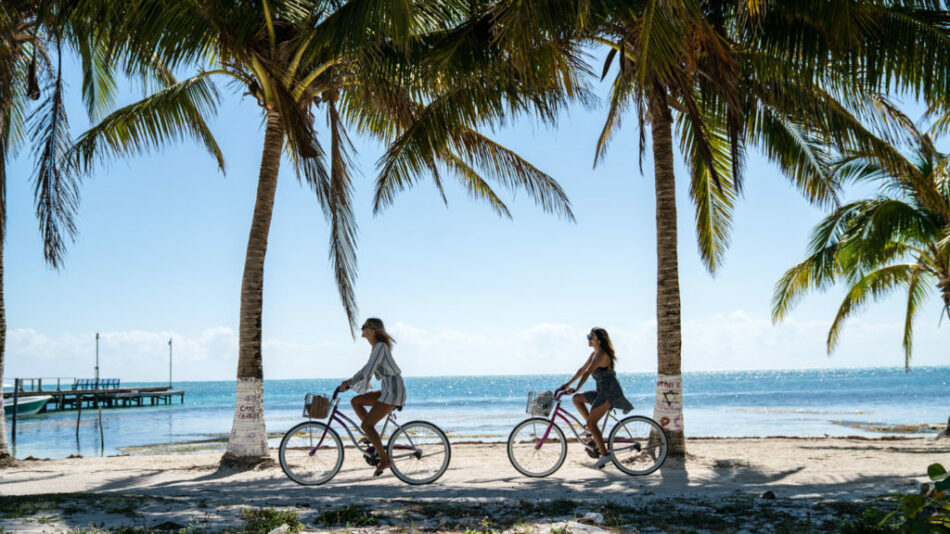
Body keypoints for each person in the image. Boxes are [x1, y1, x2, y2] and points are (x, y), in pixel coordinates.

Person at [556, 327, 633, 469]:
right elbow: (582, 370)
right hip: (601, 391)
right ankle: (591, 428)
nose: (588, 339)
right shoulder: (594, 354)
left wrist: (575, 388)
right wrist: (566, 385)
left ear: (599, 340)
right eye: (588, 336)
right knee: (577, 399)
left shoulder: (601, 355)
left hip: (610, 393)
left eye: (591, 337)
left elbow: (587, 373)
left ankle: (605, 455)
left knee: (592, 423)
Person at [340, 318, 406, 477]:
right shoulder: (377, 348)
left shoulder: (380, 347)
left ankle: (385, 460)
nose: (361, 330)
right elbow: (365, 369)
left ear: (372, 330)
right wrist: (350, 381)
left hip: (393, 390)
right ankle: (370, 436)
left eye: (364, 327)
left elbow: (368, 370)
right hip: (387, 388)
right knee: (356, 401)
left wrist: (349, 384)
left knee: (367, 425)